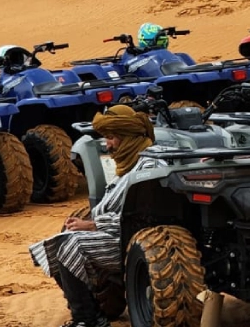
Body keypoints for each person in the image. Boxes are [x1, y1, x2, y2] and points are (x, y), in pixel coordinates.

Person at [29, 105, 157, 327]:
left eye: (111, 138)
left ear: (126, 137)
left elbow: (142, 216)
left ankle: (88, 320)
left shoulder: (149, 167)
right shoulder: (127, 166)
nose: (107, 145)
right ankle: (91, 312)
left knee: (70, 244)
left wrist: (92, 225)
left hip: (135, 241)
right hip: (117, 235)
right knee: (60, 241)